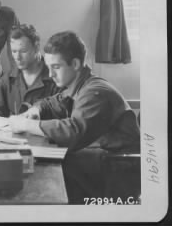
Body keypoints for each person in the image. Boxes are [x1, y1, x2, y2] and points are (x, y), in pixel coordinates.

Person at [9, 31, 140, 203]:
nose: (50, 75)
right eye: (49, 68)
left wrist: (26, 124)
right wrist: (36, 110)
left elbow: (73, 131)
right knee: (44, 164)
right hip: (103, 157)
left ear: (76, 63)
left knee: (47, 170)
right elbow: (51, 102)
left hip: (119, 168)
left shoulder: (95, 92)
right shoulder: (79, 86)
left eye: (56, 67)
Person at [0, 24, 61, 117]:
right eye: (14, 51)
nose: (17, 57)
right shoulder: (6, 80)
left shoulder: (56, 78)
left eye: (23, 51)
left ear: (37, 47)